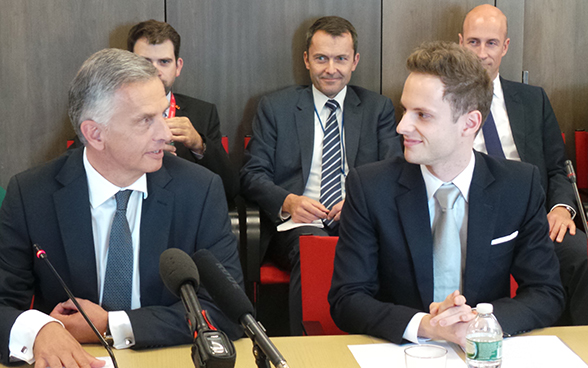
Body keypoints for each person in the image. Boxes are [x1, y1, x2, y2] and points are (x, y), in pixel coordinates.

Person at [0, 49, 243, 367]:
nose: (165, 133)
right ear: (95, 134)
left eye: (162, 114)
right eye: (146, 120)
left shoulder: (198, 190)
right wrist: (39, 330)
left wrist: (111, 324)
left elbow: (226, 312)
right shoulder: (31, 195)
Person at [329, 41, 565, 346]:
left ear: (470, 123)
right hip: (402, 351)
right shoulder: (370, 187)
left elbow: (546, 292)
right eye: (405, 110)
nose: (402, 126)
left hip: (482, 352)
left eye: (422, 115)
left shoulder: (519, 185)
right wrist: (428, 326)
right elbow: (347, 298)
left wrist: (479, 324)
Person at [240, 16, 402, 335]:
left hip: (356, 219)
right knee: (313, 245)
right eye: (321, 58)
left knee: (363, 244)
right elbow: (251, 174)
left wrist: (357, 202)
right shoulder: (276, 107)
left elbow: (395, 173)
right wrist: (288, 201)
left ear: (355, 61)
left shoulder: (377, 108)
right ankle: (309, 345)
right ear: (307, 60)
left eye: (341, 58)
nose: (331, 69)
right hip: (297, 223)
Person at [459, 4, 588, 325]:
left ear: (505, 47)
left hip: (537, 219)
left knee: (582, 255)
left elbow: (558, 167)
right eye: (473, 42)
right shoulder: (444, 100)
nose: (481, 53)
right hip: (474, 218)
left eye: (491, 43)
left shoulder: (533, 100)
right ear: (460, 43)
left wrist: (560, 208)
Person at [125, 20, 238, 202]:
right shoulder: (109, 110)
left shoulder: (202, 113)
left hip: (183, 214)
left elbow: (230, 190)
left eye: (164, 62)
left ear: (177, 67)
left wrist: (199, 145)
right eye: (145, 62)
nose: (154, 71)